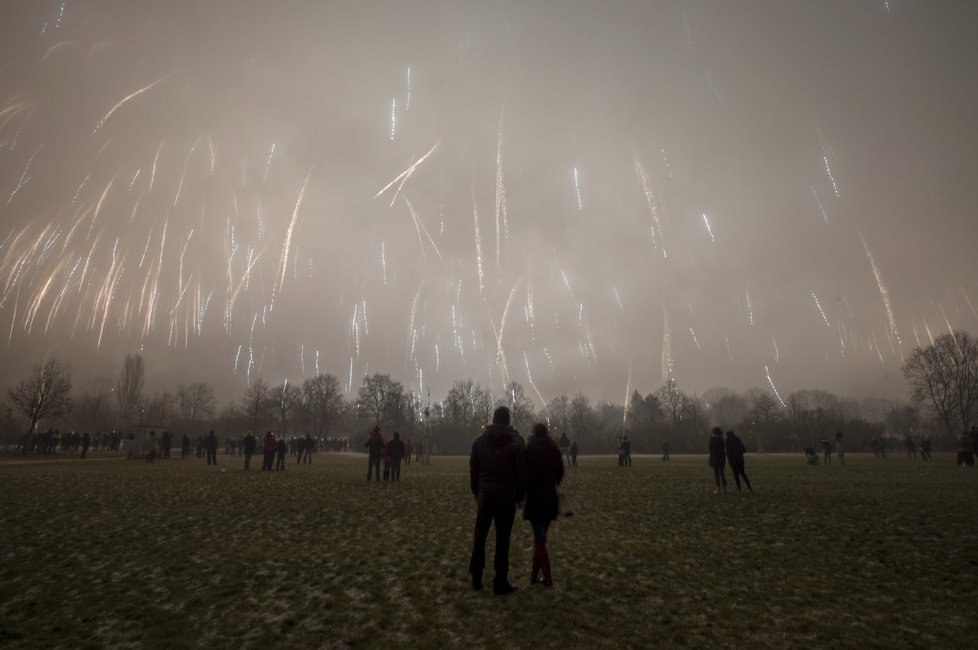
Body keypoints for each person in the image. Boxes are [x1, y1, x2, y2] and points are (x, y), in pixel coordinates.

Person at [469, 406, 525, 595]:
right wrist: (520, 496)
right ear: (508, 421)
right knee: (503, 540)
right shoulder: (516, 443)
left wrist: (477, 491)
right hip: (506, 496)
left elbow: (474, 469)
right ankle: (500, 581)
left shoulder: (479, 442)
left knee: (480, 536)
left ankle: (476, 575)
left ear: (493, 419)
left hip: (485, 494)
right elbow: (520, 473)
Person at [524, 423, 564, 587]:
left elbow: (523, 472)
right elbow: (560, 472)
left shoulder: (529, 448)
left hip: (534, 497)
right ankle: (534, 577)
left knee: (539, 538)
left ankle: (547, 578)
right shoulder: (553, 447)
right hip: (549, 497)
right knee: (540, 538)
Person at [708, 427, 727, 494]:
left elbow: (710, 449)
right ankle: (724, 488)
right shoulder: (722, 440)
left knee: (716, 474)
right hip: (722, 458)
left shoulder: (712, 440)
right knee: (722, 473)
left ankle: (718, 489)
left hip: (715, 458)